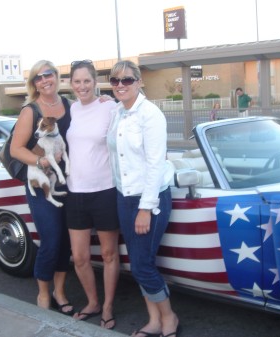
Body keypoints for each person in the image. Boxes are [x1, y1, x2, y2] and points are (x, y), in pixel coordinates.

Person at [106, 60, 180, 337]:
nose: (121, 85)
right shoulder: (117, 113)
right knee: (138, 262)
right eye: (115, 81)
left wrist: (146, 208)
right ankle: (154, 320)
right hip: (123, 196)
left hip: (148, 199)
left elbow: (155, 164)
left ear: (139, 82)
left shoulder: (150, 114)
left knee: (142, 265)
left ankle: (169, 317)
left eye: (127, 80)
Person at [10, 60, 74, 316]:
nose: (44, 80)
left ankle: (60, 291)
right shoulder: (30, 110)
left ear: (57, 77)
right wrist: (41, 161)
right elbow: (16, 149)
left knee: (66, 241)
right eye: (38, 77)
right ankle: (44, 292)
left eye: (48, 74)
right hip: (41, 184)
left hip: (69, 183)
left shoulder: (69, 105)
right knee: (51, 239)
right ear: (34, 83)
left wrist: (104, 101)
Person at [66, 60, 120, 330]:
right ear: (71, 84)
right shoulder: (72, 109)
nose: (82, 86)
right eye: (77, 81)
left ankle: (108, 306)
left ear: (95, 82)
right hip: (76, 192)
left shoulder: (109, 106)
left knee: (109, 254)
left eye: (87, 81)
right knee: (79, 257)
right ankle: (93, 301)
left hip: (105, 191)